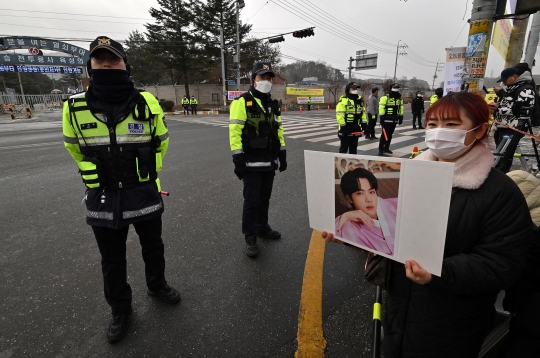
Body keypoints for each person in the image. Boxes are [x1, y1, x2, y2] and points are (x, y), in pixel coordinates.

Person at [323, 92, 533, 357]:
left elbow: (501, 263)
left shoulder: (499, 192)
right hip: (401, 306)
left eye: (452, 125)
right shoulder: (408, 175)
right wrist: (351, 234)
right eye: (433, 125)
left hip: (453, 322)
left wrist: (437, 272)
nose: (439, 132)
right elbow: (389, 233)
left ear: (480, 130)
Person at [62, 36, 180, 344]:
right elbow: (74, 148)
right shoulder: (74, 107)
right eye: (100, 61)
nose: (106, 65)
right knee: (112, 259)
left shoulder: (147, 101)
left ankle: (157, 285)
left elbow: (162, 141)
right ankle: (120, 309)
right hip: (103, 196)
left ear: (125, 64)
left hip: (142, 190)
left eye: (112, 60)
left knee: (153, 246)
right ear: (90, 66)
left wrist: (140, 172)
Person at [229, 62, 287, 257]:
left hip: (269, 162)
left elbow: (278, 130)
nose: (266, 81)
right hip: (251, 163)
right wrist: (238, 159)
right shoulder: (241, 102)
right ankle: (250, 235)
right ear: (253, 79)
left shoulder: (272, 104)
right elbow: (235, 133)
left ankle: (262, 226)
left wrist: (282, 153)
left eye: (269, 78)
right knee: (251, 201)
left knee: (264, 199)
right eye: (262, 77)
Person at [335, 168, 397, 255]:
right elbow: (334, 233)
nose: (369, 199)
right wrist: (346, 215)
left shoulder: (394, 205)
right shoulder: (350, 226)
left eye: (371, 192)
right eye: (360, 193)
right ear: (349, 198)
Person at [492, 67, 536, 172]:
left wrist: (499, 108)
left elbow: (523, 111)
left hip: (515, 127)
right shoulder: (510, 88)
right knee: (500, 153)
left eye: (505, 80)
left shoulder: (526, 90)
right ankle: (498, 172)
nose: (504, 83)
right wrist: (497, 105)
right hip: (502, 125)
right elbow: (509, 104)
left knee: (505, 155)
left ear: (514, 76)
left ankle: (502, 175)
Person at [336, 82, 367, 153]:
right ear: (348, 90)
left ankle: (352, 164)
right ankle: (341, 164)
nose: (355, 90)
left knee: (353, 149)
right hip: (345, 129)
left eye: (356, 88)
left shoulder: (359, 101)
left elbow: (363, 114)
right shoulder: (343, 101)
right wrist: (344, 127)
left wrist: (364, 126)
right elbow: (340, 115)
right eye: (353, 88)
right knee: (344, 149)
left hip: (355, 128)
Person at [378, 83, 403, 156]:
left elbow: (401, 107)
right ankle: (381, 149)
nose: (396, 88)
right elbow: (381, 107)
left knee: (390, 135)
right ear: (391, 88)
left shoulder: (399, 98)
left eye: (397, 87)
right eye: (394, 87)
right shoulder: (385, 97)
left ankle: (386, 148)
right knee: (384, 135)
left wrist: (401, 116)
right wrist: (381, 117)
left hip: (394, 119)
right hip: (386, 119)